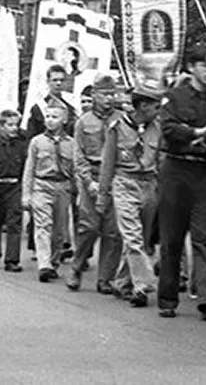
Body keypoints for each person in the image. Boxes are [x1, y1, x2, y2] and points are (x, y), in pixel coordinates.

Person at [156, 46, 206, 320]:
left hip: (205, 173)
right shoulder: (174, 97)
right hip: (177, 171)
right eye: (205, 64)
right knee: (172, 239)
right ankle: (167, 299)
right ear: (191, 67)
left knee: (205, 238)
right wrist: (198, 132)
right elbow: (169, 130)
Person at [99, 80, 166, 308]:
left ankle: (121, 282)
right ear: (143, 106)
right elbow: (107, 164)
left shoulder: (157, 128)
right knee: (133, 236)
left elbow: (161, 159)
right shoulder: (116, 128)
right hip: (124, 183)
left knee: (141, 239)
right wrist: (102, 195)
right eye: (155, 106)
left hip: (149, 186)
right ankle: (142, 286)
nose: (158, 111)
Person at [68, 74, 124, 295]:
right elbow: (78, 155)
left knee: (113, 232)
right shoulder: (84, 121)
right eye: (104, 94)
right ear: (94, 95)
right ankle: (76, 267)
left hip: (115, 180)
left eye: (112, 94)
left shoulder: (121, 119)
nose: (109, 98)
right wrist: (88, 181)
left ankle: (105, 278)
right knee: (88, 227)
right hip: (91, 176)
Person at [23, 105, 76, 282]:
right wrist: (26, 194)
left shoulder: (71, 143)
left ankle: (53, 261)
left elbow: (76, 171)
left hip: (62, 186)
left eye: (55, 116)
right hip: (42, 185)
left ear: (64, 120)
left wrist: (78, 193)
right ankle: (44, 264)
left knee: (59, 229)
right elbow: (29, 169)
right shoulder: (37, 142)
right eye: (47, 116)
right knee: (42, 225)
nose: (50, 120)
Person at [0, 110, 27, 272]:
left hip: (14, 186)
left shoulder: (21, 145)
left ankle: (12, 259)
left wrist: (24, 188)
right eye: (10, 125)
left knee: (15, 222)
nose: (14, 128)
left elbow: (24, 168)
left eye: (16, 125)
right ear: (1, 126)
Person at [26, 65, 77, 139]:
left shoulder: (70, 108)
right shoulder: (38, 108)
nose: (58, 83)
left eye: (62, 80)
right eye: (55, 80)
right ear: (48, 81)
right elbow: (32, 136)